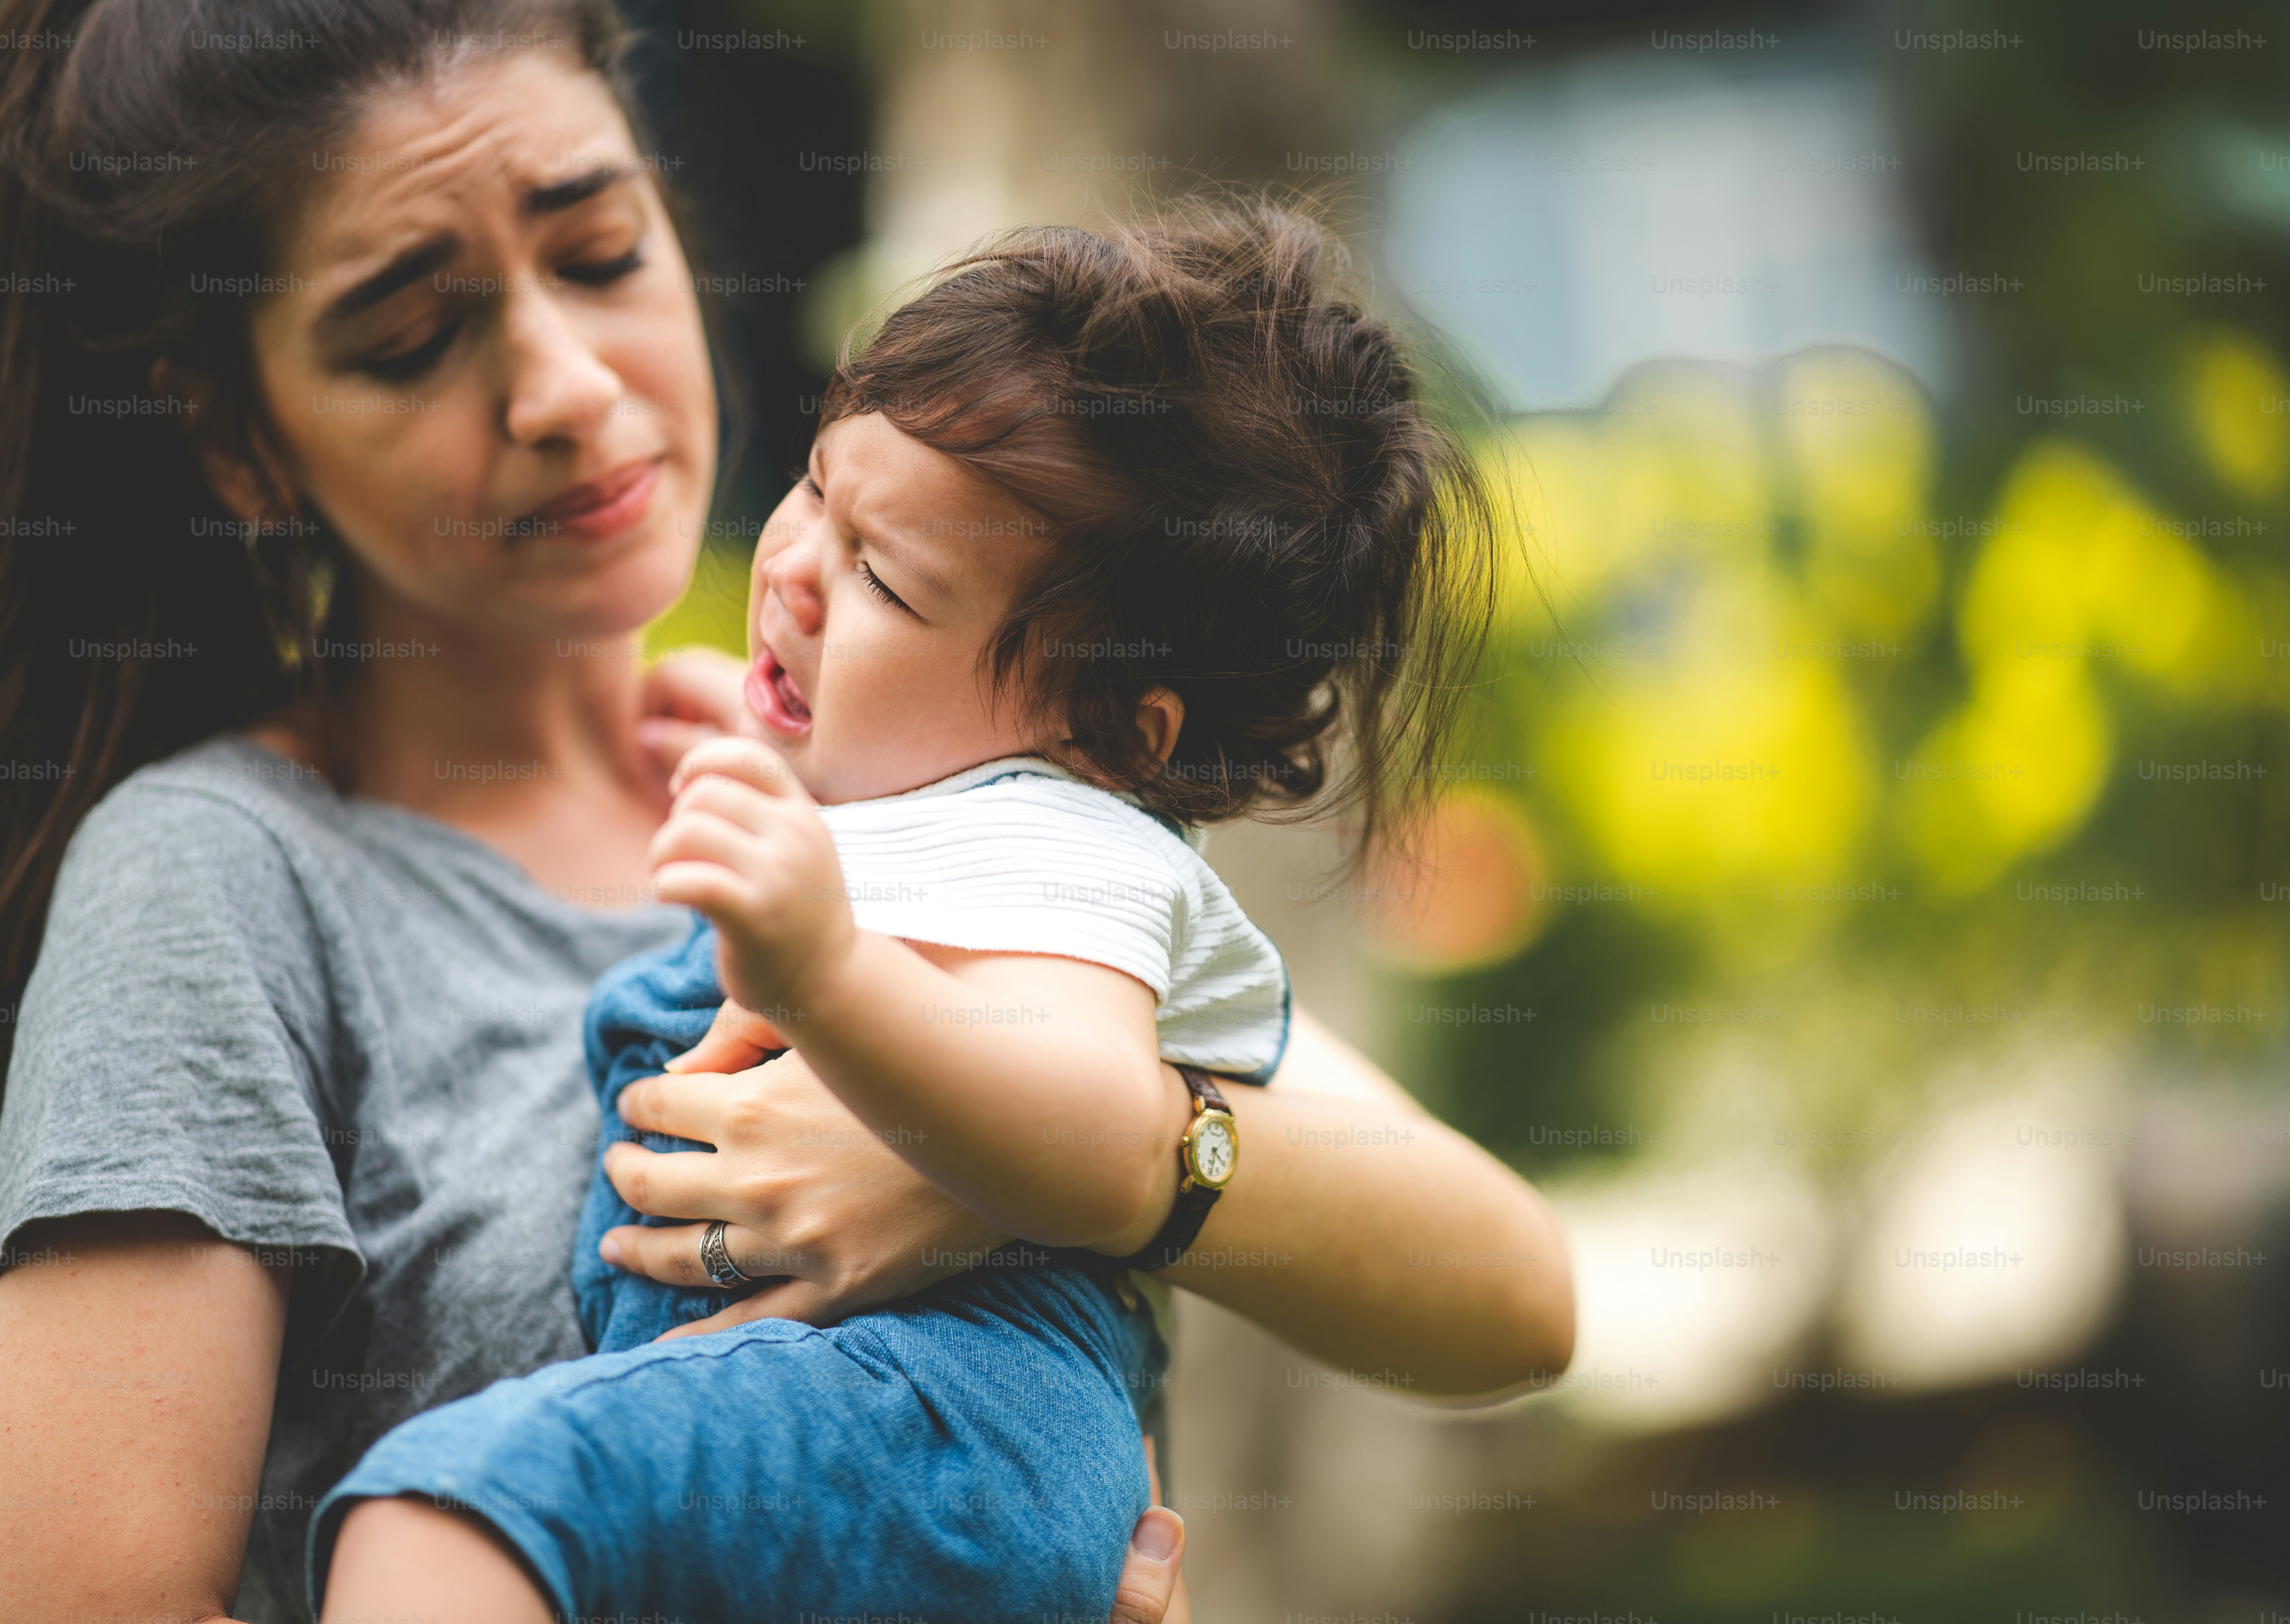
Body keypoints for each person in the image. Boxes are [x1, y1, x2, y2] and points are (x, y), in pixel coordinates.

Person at [0, 2, 1575, 1620]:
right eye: (410, 335)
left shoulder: (930, 791)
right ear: (244, 442)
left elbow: (1510, 1290)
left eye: (601, 251)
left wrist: (1020, 1161)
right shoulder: (223, 875)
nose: (562, 382)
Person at [312, 201, 1497, 1621]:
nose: (798, 566)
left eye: (882, 575)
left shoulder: (1076, 848)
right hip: (850, 1404)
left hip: (944, 1408)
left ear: (1114, 734)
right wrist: (770, 763)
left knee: (448, 1521)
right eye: (816, 488)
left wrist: (823, 968)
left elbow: (1089, 1116)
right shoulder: (954, 804)